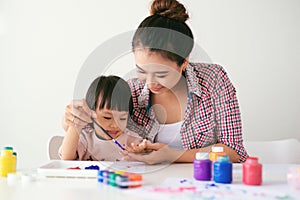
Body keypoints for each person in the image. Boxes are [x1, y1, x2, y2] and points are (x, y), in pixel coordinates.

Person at [62, 0, 248, 164]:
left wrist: (173, 155)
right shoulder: (131, 91)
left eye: (161, 74)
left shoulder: (213, 80)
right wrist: (72, 119)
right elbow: (92, 128)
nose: (150, 83)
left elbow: (234, 150)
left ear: (184, 62)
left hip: (203, 183)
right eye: (141, 70)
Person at [60, 75, 146, 161]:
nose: (115, 125)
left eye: (122, 118)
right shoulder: (85, 139)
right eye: (107, 117)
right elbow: (67, 158)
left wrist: (142, 154)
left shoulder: (133, 141)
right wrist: (76, 125)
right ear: (90, 113)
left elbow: (149, 157)